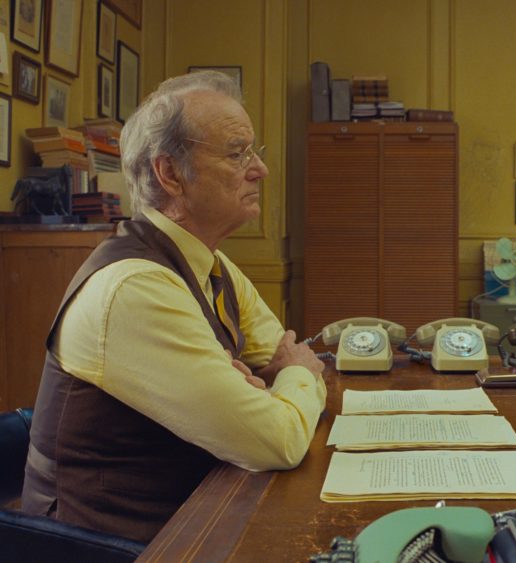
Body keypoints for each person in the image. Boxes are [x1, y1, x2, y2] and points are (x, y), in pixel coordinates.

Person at [21, 71, 327, 543]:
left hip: (192, 517)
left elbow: (276, 359)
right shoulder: (134, 288)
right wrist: (293, 375)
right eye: (237, 153)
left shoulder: (211, 262)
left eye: (253, 151)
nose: (260, 170)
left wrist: (272, 381)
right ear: (170, 174)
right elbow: (278, 437)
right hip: (115, 547)